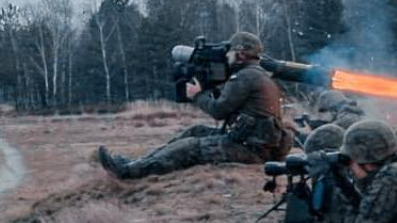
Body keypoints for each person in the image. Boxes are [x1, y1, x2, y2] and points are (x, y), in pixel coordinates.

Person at [97, 32, 293, 180]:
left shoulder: (246, 77)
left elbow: (218, 111)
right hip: (254, 144)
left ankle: (129, 172)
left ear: (241, 54)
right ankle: (138, 163)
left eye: (231, 52)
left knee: (190, 147)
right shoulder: (257, 75)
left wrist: (197, 95)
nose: (227, 56)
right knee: (196, 131)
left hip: (251, 150)